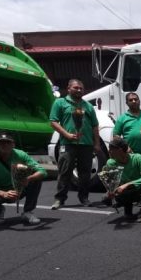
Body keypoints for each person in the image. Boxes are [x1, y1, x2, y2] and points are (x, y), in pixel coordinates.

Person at [50, 79, 100, 209]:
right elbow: (53, 122)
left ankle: (84, 197)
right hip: (67, 144)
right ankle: (59, 199)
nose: (79, 90)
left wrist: (97, 143)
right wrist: (66, 134)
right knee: (65, 171)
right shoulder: (60, 102)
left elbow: (95, 126)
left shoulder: (88, 106)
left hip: (86, 144)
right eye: (76, 88)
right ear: (68, 88)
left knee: (85, 173)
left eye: (81, 88)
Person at [0, 132, 46, 225]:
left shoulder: (20, 154)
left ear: (13, 144)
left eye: (8, 142)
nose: (4, 145)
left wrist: (28, 179)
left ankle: (27, 212)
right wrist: (3, 193)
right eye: (1, 142)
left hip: (18, 188)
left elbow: (42, 171)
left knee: (37, 178)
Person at [103, 138, 141, 220]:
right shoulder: (110, 162)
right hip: (123, 190)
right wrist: (111, 191)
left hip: (138, 188)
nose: (109, 151)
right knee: (106, 198)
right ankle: (127, 211)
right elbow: (111, 181)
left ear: (120, 150)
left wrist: (128, 184)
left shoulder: (137, 158)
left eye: (111, 149)